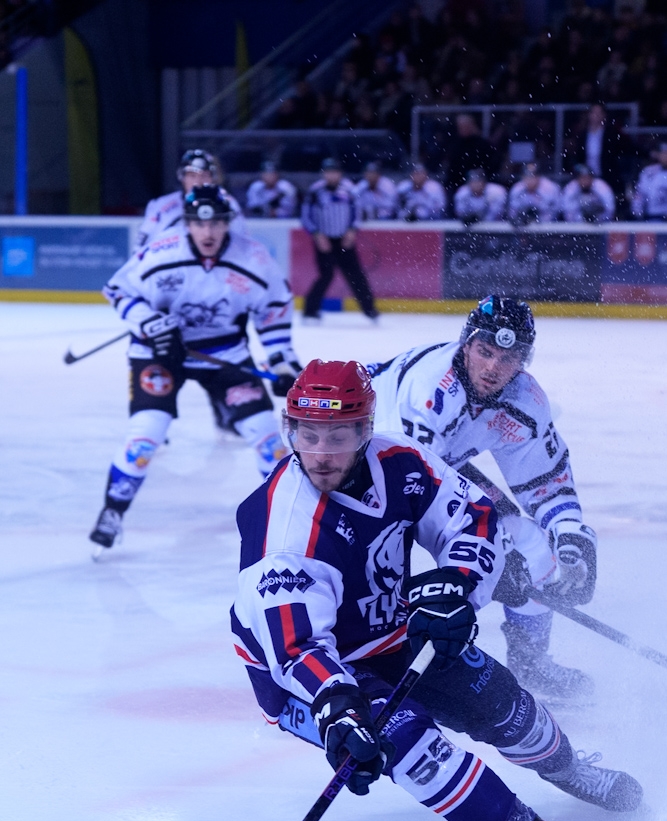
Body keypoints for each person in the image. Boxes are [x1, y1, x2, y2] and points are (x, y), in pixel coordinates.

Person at [231, 359, 603, 821]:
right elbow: (296, 645)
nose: (322, 452)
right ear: (290, 432)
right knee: (407, 743)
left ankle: (570, 769)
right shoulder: (280, 528)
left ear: (364, 430)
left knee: (504, 704)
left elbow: (472, 519)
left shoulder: (398, 459)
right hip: (307, 675)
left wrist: (456, 584)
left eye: (339, 434)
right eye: (308, 435)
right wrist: (337, 707)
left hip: (390, 629)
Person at [369, 295, 602, 702]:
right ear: (466, 345)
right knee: (376, 562)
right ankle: (367, 657)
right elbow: (412, 495)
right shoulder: (430, 395)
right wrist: (491, 553)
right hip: (356, 457)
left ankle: (531, 663)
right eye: (485, 351)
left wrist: (570, 533)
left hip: (433, 464)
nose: (494, 367)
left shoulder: (525, 403)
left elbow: (544, 481)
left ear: (524, 361)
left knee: (534, 546)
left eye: (508, 358)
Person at [89, 186, 302, 552]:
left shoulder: (253, 258)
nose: (208, 233)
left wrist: (282, 361)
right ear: (187, 223)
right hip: (159, 352)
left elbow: (274, 311)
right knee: (146, 434)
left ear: (227, 223)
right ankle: (112, 511)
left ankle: (289, 517)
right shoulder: (161, 251)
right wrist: (151, 324)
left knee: (266, 435)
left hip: (225, 355)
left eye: (217, 223)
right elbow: (118, 290)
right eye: (199, 224)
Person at [301, 158, 378, 323]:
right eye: (328, 172)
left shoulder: (349, 190)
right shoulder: (315, 191)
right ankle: (310, 311)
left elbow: (357, 213)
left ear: (340, 174)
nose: (331, 176)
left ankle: (370, 310)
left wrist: (352, 231)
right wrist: (317, 235)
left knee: (356, 275)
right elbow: (306, 216)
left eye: (334, 172)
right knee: (326, 275)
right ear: (324, 174)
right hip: (324, 241)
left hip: (344, 240)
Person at [134, 149, 246, 249]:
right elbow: (141, 247)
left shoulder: (228, 203)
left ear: (213, 178)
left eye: (205, 176)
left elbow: (240, 244)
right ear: (182, 178)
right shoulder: (160, 205)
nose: (198, 181)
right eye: (192, 176)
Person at [632, 142, 667, 221]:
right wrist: (637, 212)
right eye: (664, 153)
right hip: (652, 216)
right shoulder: (649, 172)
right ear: (658, 154)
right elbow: (640, 194)